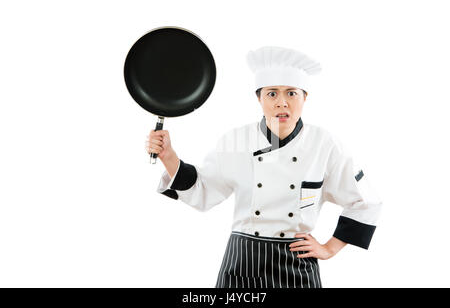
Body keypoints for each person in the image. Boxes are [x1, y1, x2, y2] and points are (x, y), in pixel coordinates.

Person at [146, 46, 382, 288]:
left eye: (291, 93)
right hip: (241, 263)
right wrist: (168, 155)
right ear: (258, 98)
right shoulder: (235, 141)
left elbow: (365, 201)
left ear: (305, 97)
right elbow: (203, 189)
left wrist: (329, 248)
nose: (282, 103)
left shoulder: (324, 144)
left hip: (296, 264)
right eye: (272, 94)